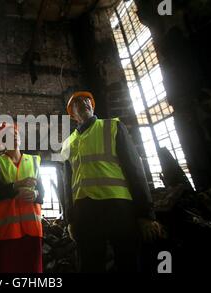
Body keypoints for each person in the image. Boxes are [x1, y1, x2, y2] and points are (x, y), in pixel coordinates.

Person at [62, 91, 163, 273]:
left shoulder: (113, 127)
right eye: (77, 102)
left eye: (87, 100)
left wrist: (146, 214)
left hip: (119, 208)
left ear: (92, 106)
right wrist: (71, 219)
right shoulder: (68, 143)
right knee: (89, 266)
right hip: (85, 212)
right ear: (72, 113)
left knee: (128, 264)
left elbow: (135, 168)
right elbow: (67, 183)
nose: (84, 102)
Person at [0, 122, 44, 273]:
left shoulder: (34, 161)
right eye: (9, 134)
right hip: (7, 230)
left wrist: (35, 194)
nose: (15, 135)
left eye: (16, 133)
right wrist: (18, 185)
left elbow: (42, 193)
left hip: (32, 230)